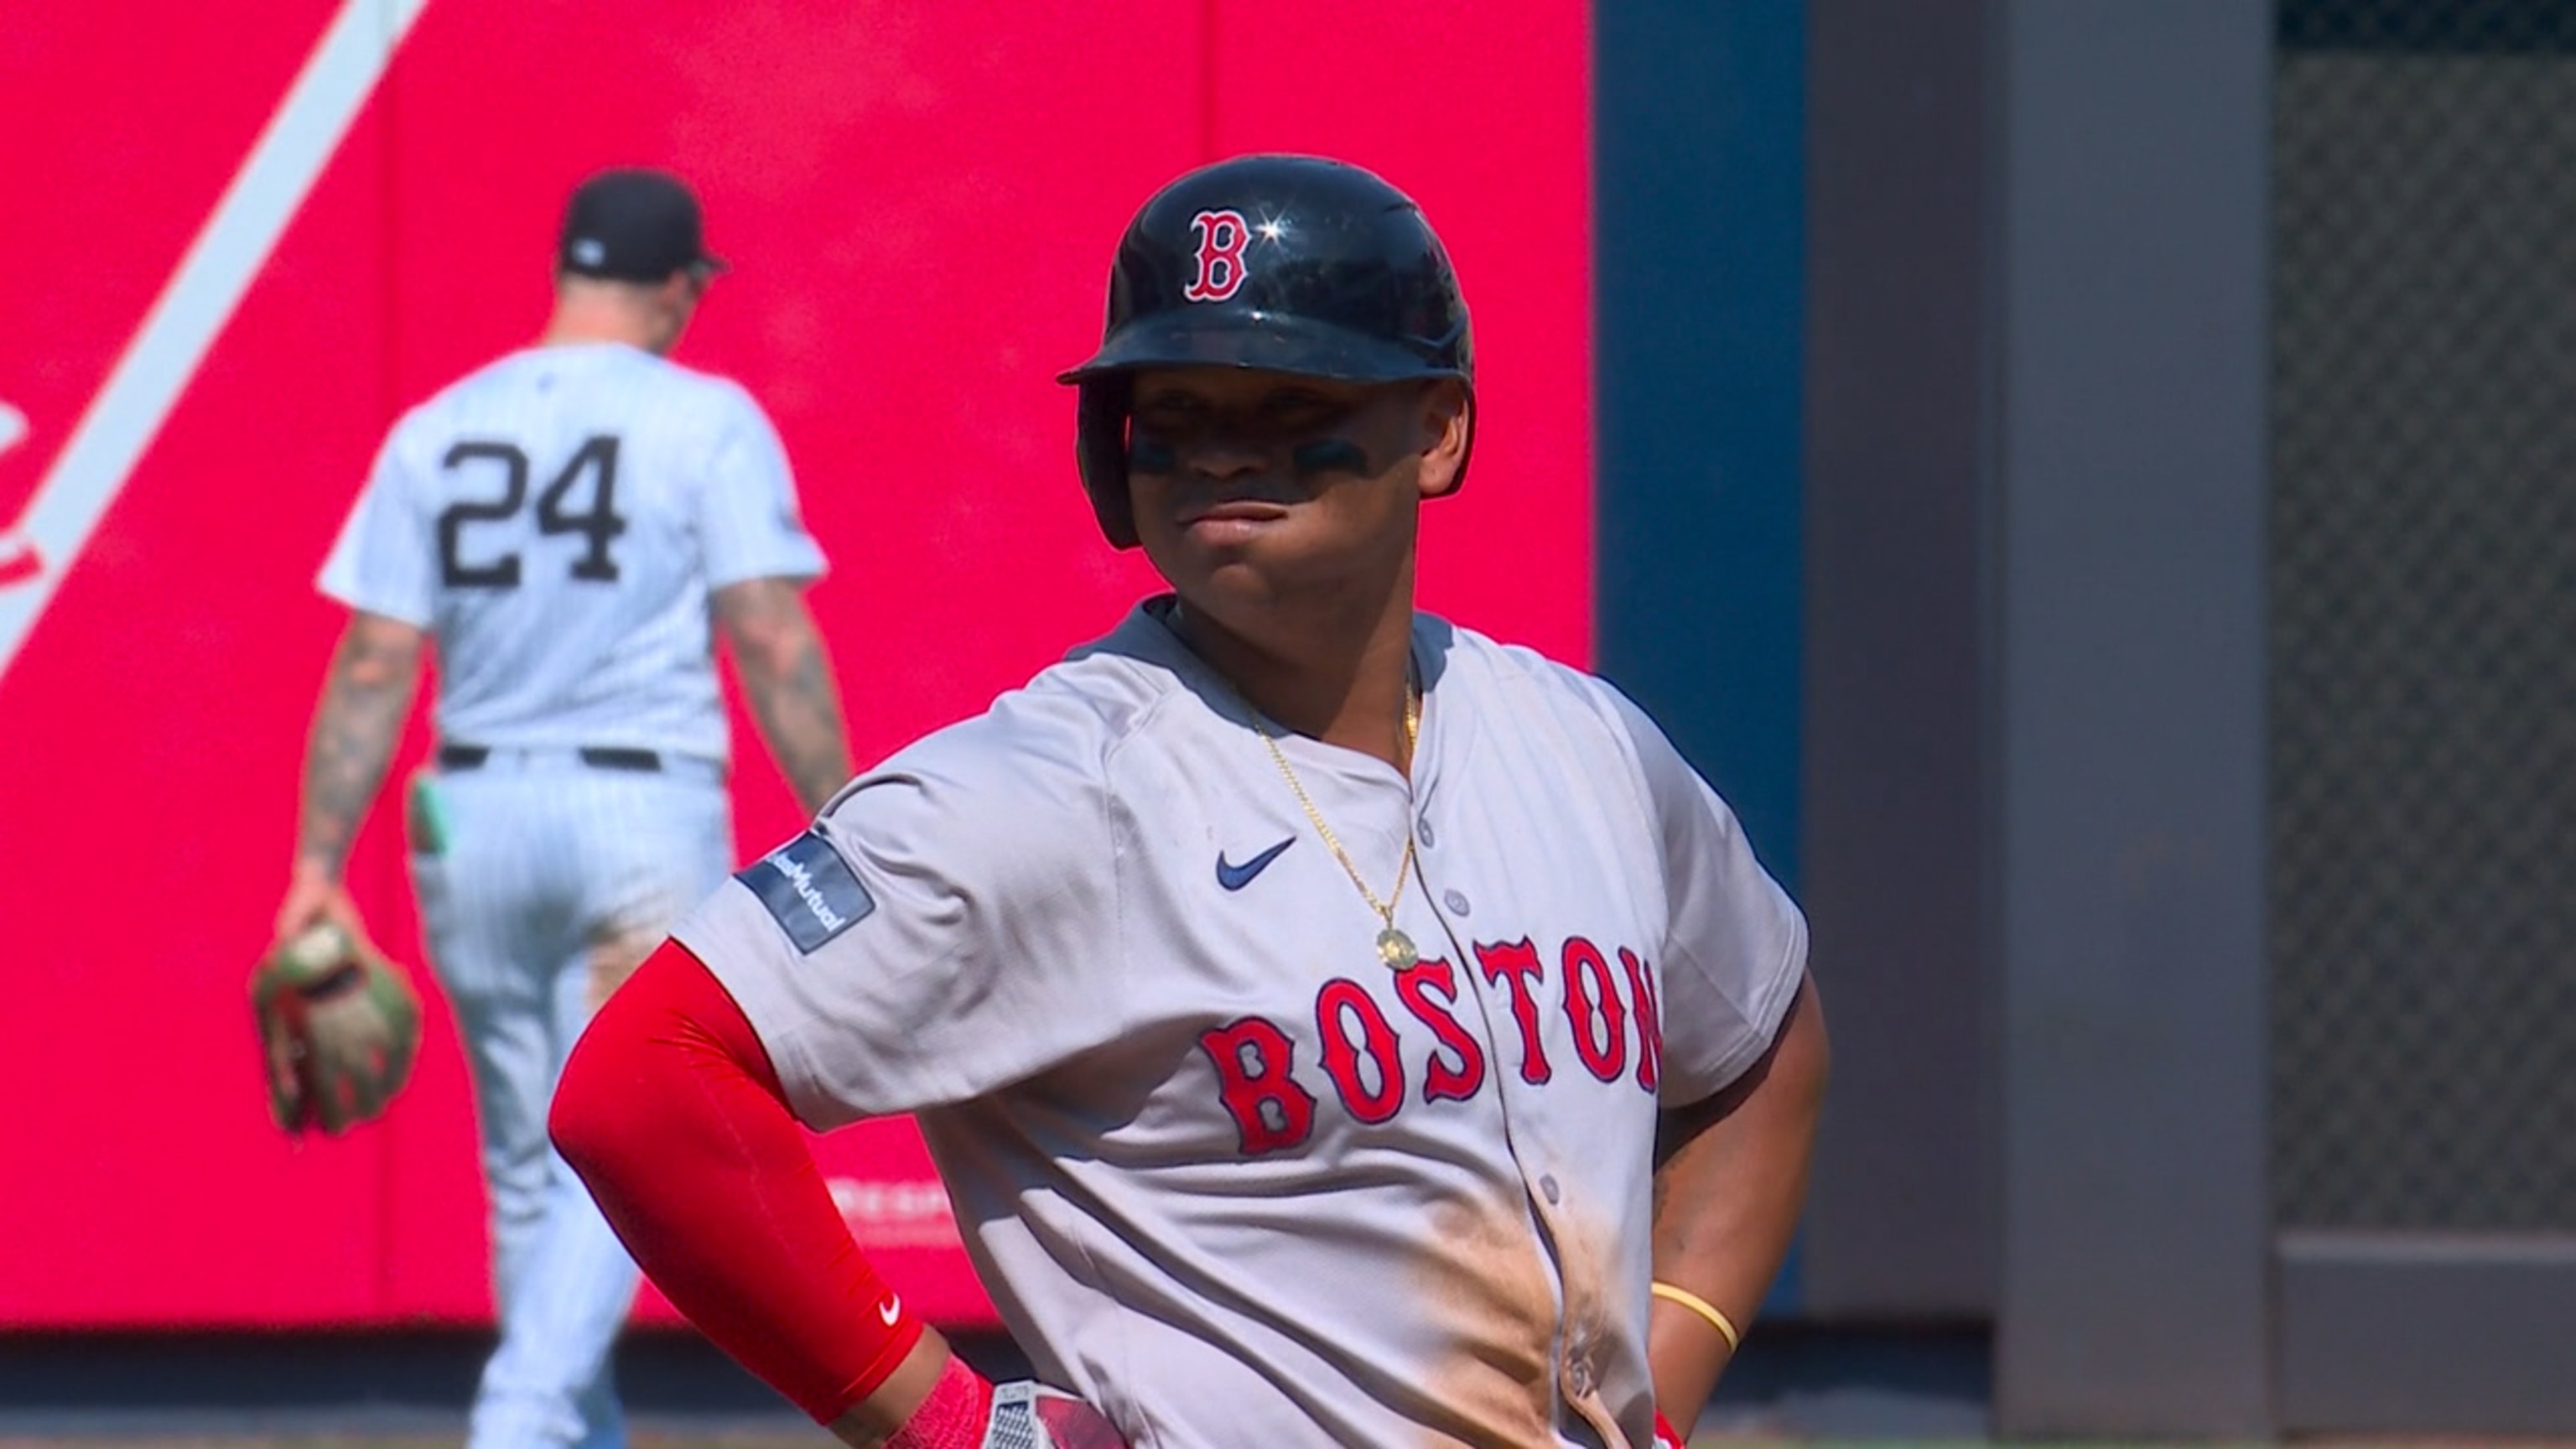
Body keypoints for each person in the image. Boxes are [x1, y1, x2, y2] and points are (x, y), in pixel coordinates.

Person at [550, 153, 1827, 1449]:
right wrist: (943, 1424)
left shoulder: (1584, 748)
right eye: (1175, 405)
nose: (1223, 446)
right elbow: (641, 1088)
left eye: (1287, 396)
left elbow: (1766, 1047)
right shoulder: (1046, 788)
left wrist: (1663, 1392)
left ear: (1438, 428)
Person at [274, 166, 854, 1449]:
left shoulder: (439, 425)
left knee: (531, 1161)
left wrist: (319, 863)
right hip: (634, 818)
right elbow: (768, 634)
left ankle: (556, 1429)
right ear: (677, 286)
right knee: (632, 1138)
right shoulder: (703, 419)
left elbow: (376, 659)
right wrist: (843, 814)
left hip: (470, 820)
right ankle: (523, 1417)